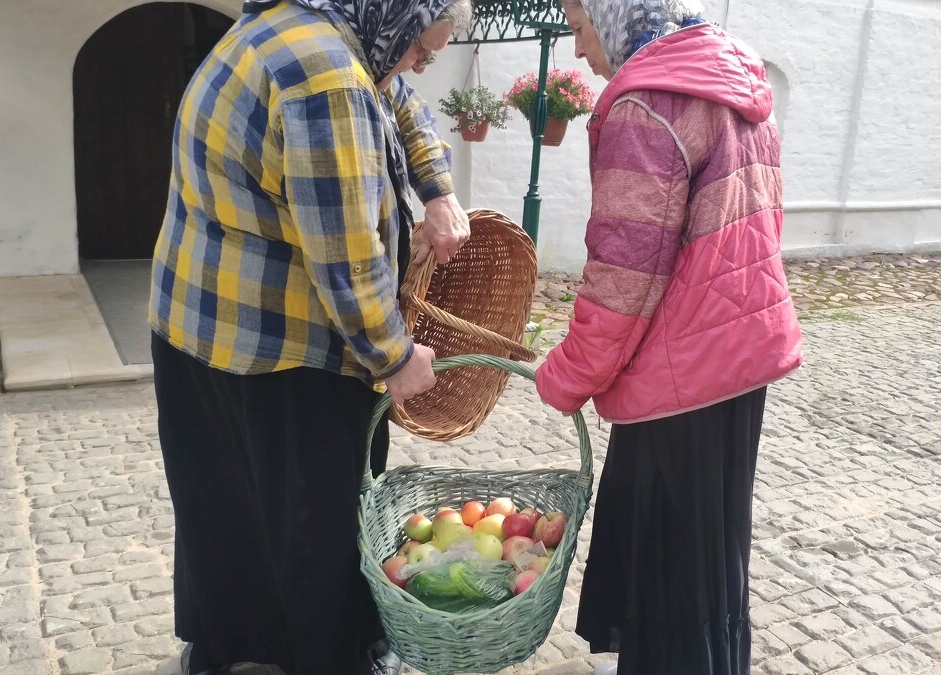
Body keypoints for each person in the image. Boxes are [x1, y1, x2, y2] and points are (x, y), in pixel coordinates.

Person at [147, 0, 473, 672]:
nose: (417, 65)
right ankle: (331, 658)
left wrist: (437, 189)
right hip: (282, 348)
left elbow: (401, 101)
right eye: (421, 49)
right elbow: (345, 253)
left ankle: (226, 648)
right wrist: (394, 356)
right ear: (395, 18)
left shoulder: (302, 29)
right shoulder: (326, 77)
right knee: (317, 520)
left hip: (196, 321)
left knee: (224, 503)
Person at [534, 1, 803, 673]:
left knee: (670, 562)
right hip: (738, 356)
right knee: (708, 549)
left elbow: (624, 278)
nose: (579, 51)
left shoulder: (647, 102)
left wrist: (567, 374)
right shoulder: (736, 82)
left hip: (679, 373)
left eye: (579, 27)